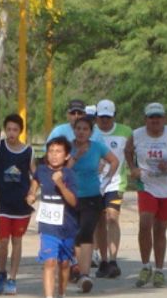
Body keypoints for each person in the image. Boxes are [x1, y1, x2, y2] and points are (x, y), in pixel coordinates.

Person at [124, 102, 167, 289]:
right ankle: (146, 266)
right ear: (145, 119)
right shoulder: (137, 134)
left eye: (158, 117)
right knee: (145, 222)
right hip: (147, 184)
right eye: (151, 117)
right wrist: (133, 168)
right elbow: (127, 150)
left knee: (160, 229)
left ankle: (160, 270)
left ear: (164, 119)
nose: (155, 121)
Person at [0, 114, 35, 295]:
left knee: (17, 241)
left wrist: (32, 193)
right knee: (3, 240)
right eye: (9, 129)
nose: (11, 133)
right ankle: (1, 272)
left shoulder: (28, 151)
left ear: (20, 131)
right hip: (3, 203)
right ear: (5, 130)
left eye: (15, 130)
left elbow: (35, 177)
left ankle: (13, 278)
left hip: (21, 205)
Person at [69, 117, 119, 292]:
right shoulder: (68, 147)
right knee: (75, 234)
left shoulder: (97, 147)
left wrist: (105, 180)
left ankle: (85, 274)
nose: (81, 132)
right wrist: (76, 156)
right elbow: (63, 169)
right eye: (78, 128)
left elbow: (114, 161)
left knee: (86, 232)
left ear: (90, 132)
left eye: (85, 129)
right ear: (74, 130)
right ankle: (77, 268)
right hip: (72, 197)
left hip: (92, 197)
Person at [27, 137, 78, 298]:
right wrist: (31, 195)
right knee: (50, 262)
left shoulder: (69, 175)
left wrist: (61, 184)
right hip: (48, 226)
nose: (54, 155)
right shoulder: (41, 170)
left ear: (67, 156)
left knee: (64, 264)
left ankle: (61, 293)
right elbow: (34, 184)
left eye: (58, 152)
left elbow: (73, 201)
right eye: (51, 151)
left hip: (67, 226)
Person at [92, 99, 132, 279]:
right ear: (96, 117)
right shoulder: (90, 132)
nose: (105, 121)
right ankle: (104, 260)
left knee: (112, 218)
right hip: (94, 183)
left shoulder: (125, 132)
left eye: (108, 117)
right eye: (101, 118)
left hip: (115, 182)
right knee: (100, 221)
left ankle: (113, 260)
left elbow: (132, 153)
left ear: (114, 116)